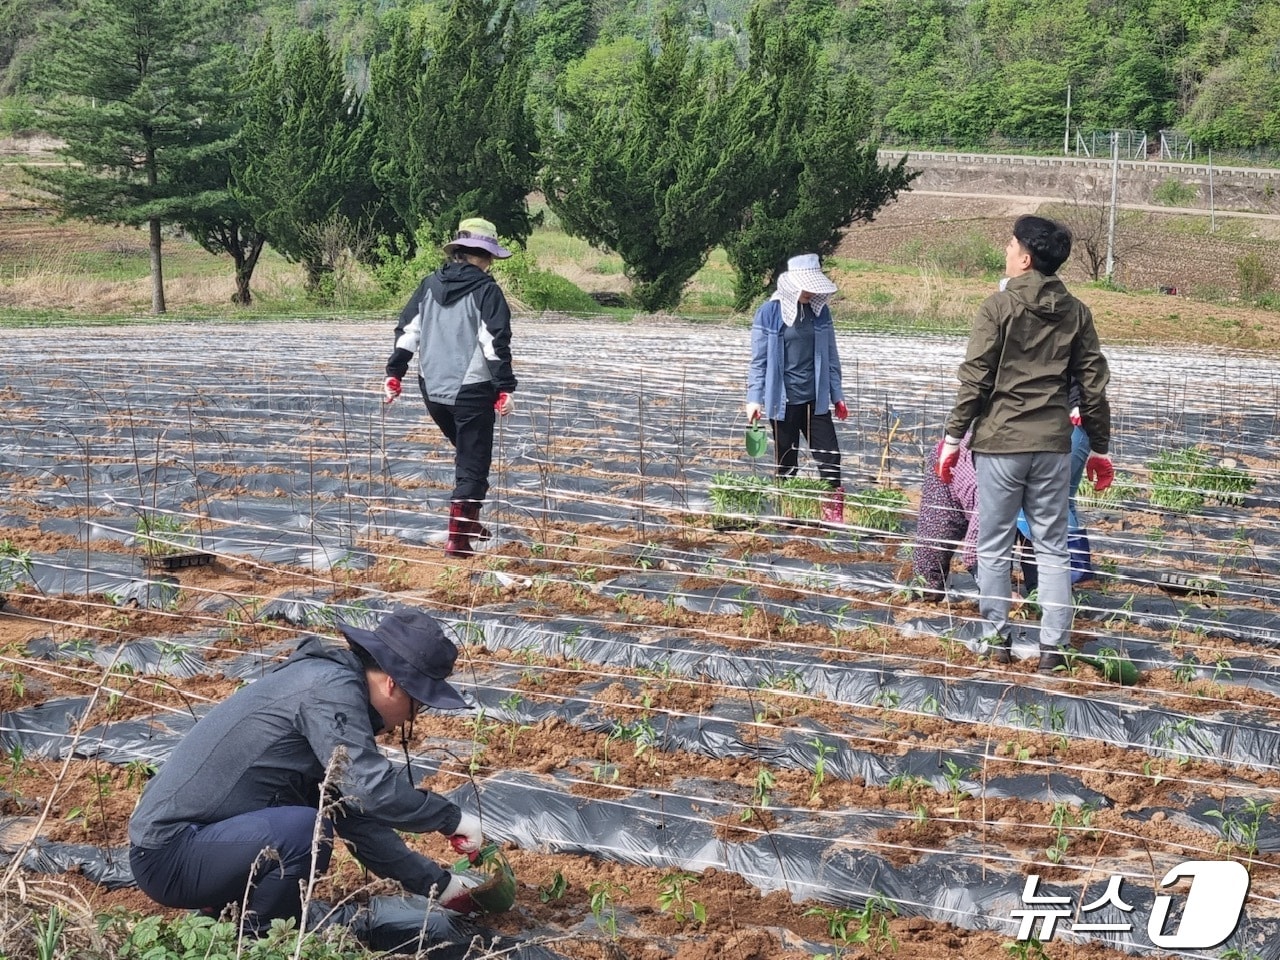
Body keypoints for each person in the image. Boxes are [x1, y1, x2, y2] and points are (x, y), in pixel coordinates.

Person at [129, 607, 491, 929]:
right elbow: (373, 791)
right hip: (172, 854)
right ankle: (260, 940)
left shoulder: (330, 690)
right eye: (419, 705)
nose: (412, 718)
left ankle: (234, 915)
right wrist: (450, 818)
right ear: (393, 684)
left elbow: (356, 815)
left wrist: (437, 885)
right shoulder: (330, 691)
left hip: (202, 847)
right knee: (305, 830)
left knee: (309, 823)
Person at [937, 215, 1113, 673]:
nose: (1007, 251)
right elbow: (1092, 385)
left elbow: (975, 379)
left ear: (1026, 258)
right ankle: (1053, 649)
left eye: (1011, 245)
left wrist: (953, 438)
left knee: (994, 543)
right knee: (1052, 545)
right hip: (1054, 445)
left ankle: (997, 640)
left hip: (1001, 445)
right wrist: (1099, 448)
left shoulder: (997, 308)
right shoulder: (1076, 312)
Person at [383, 217, 518, 558]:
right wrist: (505, 387)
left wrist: (394, 373)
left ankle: (469, 522)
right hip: (472, 388)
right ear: (483, 256)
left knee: (469, 455)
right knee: (473, 462)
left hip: (432, 389)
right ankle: (458, 540)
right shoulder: (487, 290)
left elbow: (408, 331)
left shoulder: (429, 284)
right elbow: (493, 342)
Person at [744, 253, 849, 523]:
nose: (810, 291)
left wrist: (837, 395)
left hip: (816, 399)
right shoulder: (769, 313)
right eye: (806, 285)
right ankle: (789, 512)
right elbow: (759, 361)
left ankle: (832, 513)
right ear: (791, 284)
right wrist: (754, 399)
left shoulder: (820, 312)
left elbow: (832, 356)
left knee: (830, 456)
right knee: (787, 462)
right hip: (783, 402)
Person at [914, 433, 1038, 598]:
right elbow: (976, 550)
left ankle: (1039, 591)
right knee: (937, 536)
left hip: (1013, 457)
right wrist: (1001, 593)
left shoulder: (1044, 492)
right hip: (950, 465)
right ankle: (927, 592)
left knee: (1038, 543)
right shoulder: (991, 498)